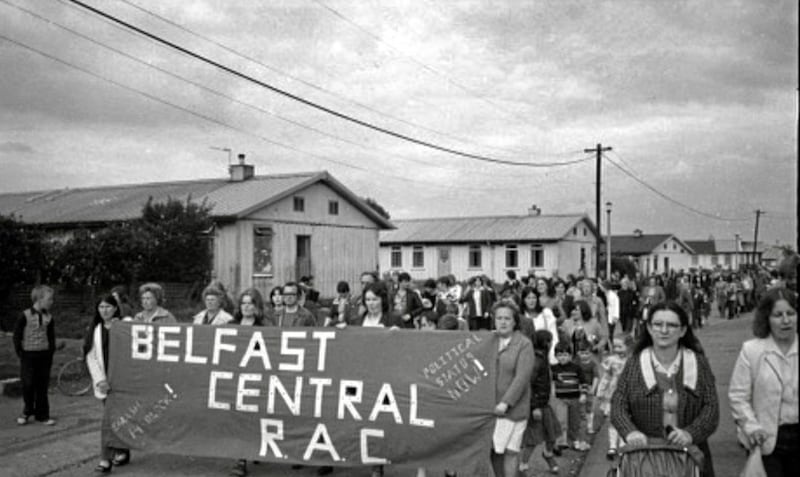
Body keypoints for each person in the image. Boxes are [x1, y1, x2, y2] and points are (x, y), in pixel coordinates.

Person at [611, 302, 719, 477]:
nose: (664, 330)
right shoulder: (635, 364)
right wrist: (630, 432)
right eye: (658, 324)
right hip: (644, 460)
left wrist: (691, 433)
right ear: (649, 328)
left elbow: (711, 408)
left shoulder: (698, 363)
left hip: (689, 459)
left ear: (683, 330)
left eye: (672, 325)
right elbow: (618, 405)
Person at [728, 288, 798, 477]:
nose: (785, 320)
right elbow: (738, 397)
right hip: (767, 441)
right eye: (778, 315)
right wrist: (751, 427)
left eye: (791, 313)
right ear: (767, 318)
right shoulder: (752, 351)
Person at [83, 294, 130, 473]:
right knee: (110, 420)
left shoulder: (126, 325)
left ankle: (113, 455)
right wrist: (100, 380)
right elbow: (91, 356)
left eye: (108, 307)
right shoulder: (95, 329)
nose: (104, 311)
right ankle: (112, 455)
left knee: (119, 419)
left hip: (123, 381)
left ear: (116, 308)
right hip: (105, 383)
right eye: (101, 307)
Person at [490, 300, 535, 477]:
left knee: (510, 451)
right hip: (490, 407)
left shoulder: (523, 344)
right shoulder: (488, 340)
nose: (502, 322)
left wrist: (505, 403)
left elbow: (522, 377)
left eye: (507, 318)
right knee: (493, 451)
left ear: (515, 321)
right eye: (499, 318)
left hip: (512, 408)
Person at [13, 285, 57, 426]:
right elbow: (17, 335)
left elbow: (51, 337)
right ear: (39, 299)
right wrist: (20, 351)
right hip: (28, 355)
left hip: (44, 355)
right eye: (49, 299)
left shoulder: (49, 317)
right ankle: (27, 410)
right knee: (28, 383)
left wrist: (51, 351)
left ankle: (42, 414)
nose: (52, 302)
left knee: (42, 385)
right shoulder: (25, 315)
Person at [519, 330, 560, 475]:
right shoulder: (537, 359)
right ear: (545, 342)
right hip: (537, 405)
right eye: (550, 340)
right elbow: (529, 383)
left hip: (544, 403)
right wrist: (534, 406)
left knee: (552, 433)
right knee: (533, 438)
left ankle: (548, 454)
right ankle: (522, 464)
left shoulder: (542, 358)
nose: (551, 344)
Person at [594, 334, 634, 459]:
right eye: (615, 346)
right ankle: (612, 446)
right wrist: (600, 391)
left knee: (625, 419)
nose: (617, 349)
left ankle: (623, 444)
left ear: (628, 346)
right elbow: (606, 376)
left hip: (628, 393)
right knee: (612, 420)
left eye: (620, 346)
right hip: (612, 393)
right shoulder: (611, 360)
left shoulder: (633, 360)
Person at [551, 341, 591, 452]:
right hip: (560, 399)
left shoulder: (576, 368)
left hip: (574, 398)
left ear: (570, 356)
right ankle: (561, 442)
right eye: (559, 355)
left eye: (565, 355)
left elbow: (584, 382)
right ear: (555, 356)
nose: (562, 358)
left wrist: (583, 394)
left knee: (574, 421)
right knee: (561, 420)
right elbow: (547, 375)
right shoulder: (553, 369)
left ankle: (574, 440)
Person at [519, 287, 559, 364]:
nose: (531, 301)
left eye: (534, 297)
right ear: (523, 300)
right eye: (528, 298)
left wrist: (552, 358)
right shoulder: (520, 316)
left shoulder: (546, 313)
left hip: (545, 355)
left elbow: (554, 338)